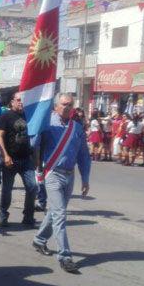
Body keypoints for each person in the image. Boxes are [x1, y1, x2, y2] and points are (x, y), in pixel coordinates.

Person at [31, 93, 91, 274]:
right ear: (56, 106)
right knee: (60, 215)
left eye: (69, 105)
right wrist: (35, 131)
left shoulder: (77, 127)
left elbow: (83, 154)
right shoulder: (46, 123)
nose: (66, 107)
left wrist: (85, 177)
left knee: (55, 212)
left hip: (69, 175)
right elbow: (34, 144)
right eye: (63, 104)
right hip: (53, 174)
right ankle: (65, 256)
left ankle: (40, 240)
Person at [0, 92, 40, 227]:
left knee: (32, 186)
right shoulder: (5, 116)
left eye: (23, 100)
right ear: (12, 102)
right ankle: (3, 214)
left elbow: (36, 137)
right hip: (11, 159)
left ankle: (28, 216)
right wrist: (5, 155)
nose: (21, 102)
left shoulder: (30, 116)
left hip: (26, 158)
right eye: (18, 100)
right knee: (7, 189)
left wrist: (36, 158)